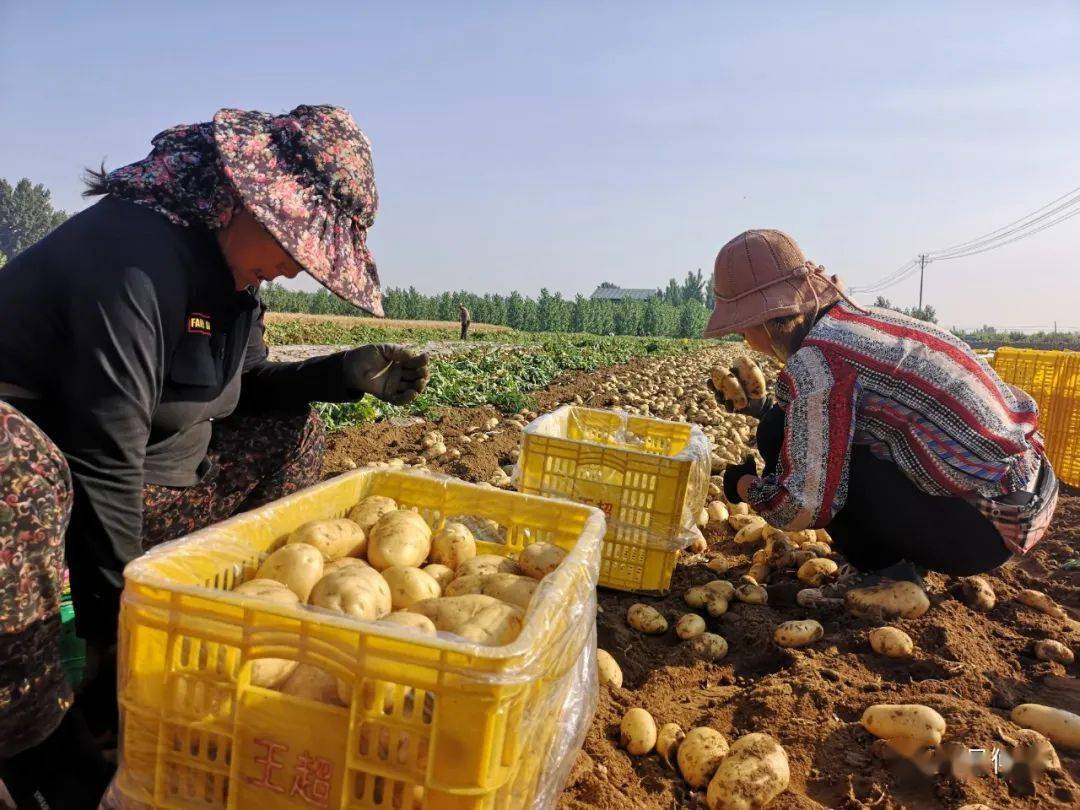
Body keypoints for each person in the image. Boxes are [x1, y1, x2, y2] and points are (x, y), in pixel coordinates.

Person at [0, 104, 429, 808]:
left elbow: (242, 388)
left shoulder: (233, 281)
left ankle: (225, 638)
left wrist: (338, 375)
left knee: (294, 435)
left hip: (135, 491)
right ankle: (41, 743)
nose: (296, 268)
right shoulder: (130, 256)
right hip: (40, 510)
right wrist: (125, 646)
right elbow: (104, 456)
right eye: (296, 242)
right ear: (246, 199)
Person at [704, 229, 1058, 587]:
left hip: (985, 532)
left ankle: (885, 572)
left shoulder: (816, 363)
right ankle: (901, 553)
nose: (745, 341)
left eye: (743, 329)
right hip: (1030, 492)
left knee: (790, 447)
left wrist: (744, 486)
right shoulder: (855, 320)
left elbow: (802, 507)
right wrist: (763, 408)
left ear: (765, 321)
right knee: (778, 427)